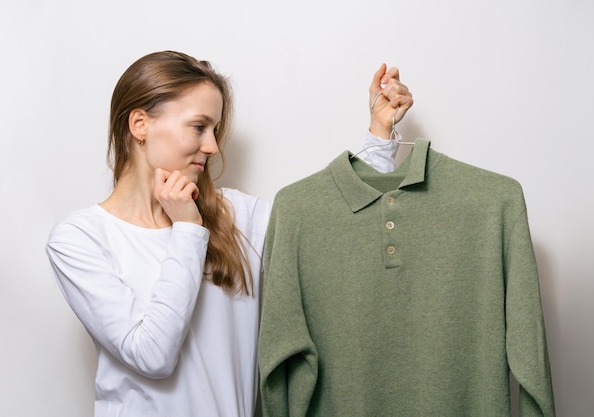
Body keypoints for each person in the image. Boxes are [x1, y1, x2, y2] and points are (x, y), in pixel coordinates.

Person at [45, 50, 413, 417]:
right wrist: (188, 228)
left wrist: (380, 140)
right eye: (199, 127)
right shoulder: (80, 239)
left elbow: (334, 235)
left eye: (215, 130)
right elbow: (152, 354)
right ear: (140, 124)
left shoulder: (239, 216)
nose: (213, 147)